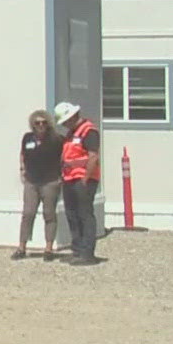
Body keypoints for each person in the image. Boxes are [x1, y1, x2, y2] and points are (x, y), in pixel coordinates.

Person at [54, 101, 102, 266]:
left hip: (83, 179)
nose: (65, 124)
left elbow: (93, 156)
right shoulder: (71, 133)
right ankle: (77, 249)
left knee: (84, 214)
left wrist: (85, 179)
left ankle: (87, 252)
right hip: (69, 178)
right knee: (72, 214)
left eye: (66, 120)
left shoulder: (89, 131)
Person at [17, 108, 64, 261]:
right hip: (31, 181)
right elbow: (22, 154)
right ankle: (22, 247)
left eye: (44, 123)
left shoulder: (56, 139)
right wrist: (22, 169)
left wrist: (61, 176)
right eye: (37, 123)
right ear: (33, 124)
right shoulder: (27, 138)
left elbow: (64, 158)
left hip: (50, 181)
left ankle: (49, 248)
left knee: (49, 214)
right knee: (28, 213)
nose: (41, 125)